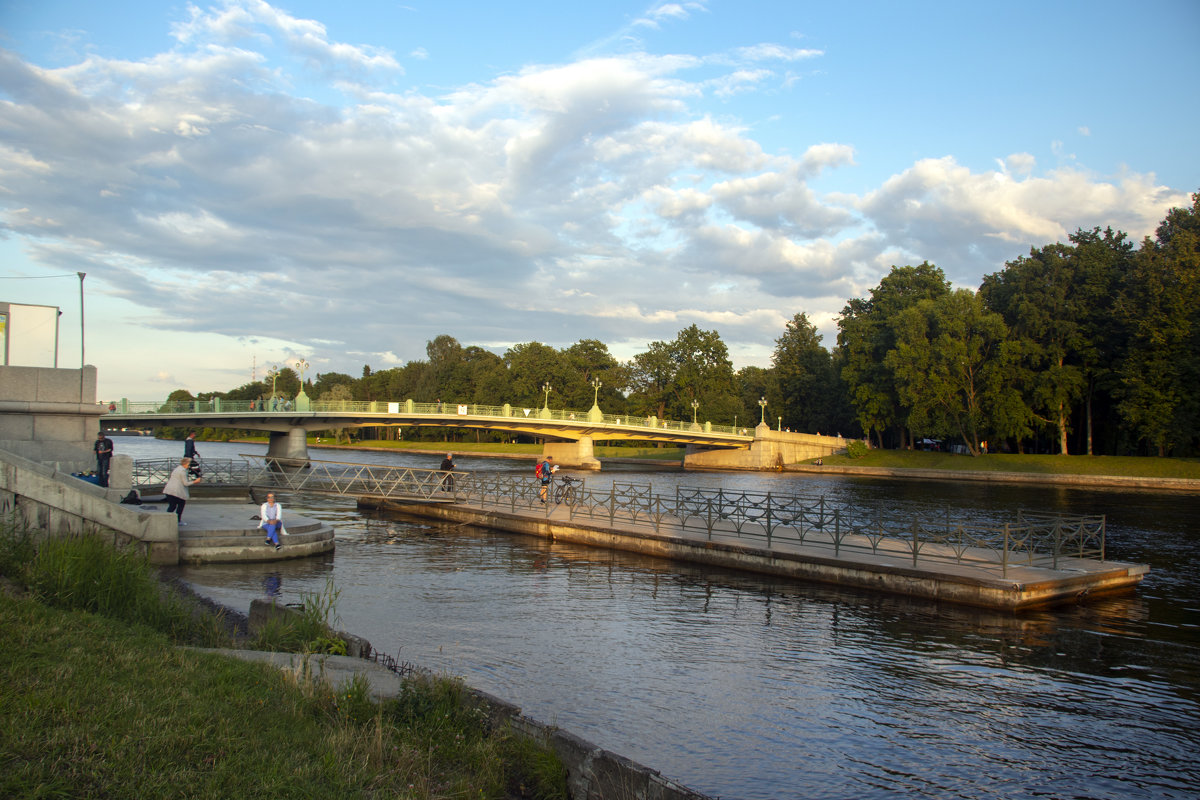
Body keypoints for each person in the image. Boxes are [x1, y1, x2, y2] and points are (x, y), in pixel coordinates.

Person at [164, 457, 202, 524]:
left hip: (169, 490)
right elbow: (185, 483)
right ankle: (178, 521)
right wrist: (195, 481)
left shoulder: (178, 468)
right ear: (186, 464)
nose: (190, 465)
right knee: (181, 504)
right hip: (176, 491)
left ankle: (166, 520)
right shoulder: (182, 471)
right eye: (189, 464)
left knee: (172, 506)